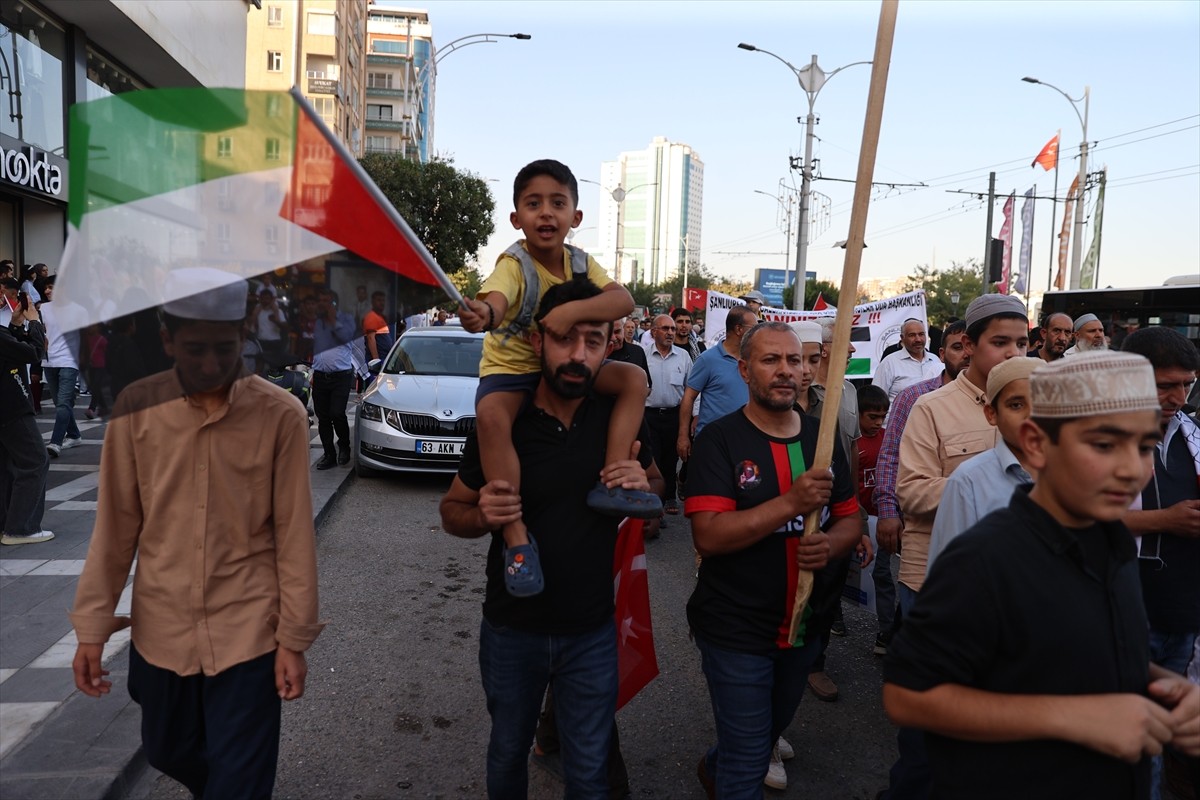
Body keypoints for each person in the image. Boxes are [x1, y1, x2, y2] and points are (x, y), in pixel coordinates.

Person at [883, 350, 1200, 800]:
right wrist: (1073, 718)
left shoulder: (1111, 542)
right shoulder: (985, 558)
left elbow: (1082, 650)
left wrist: (1161, 685)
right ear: (1035, 443)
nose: (1133, 469)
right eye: (1104, 445)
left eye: (1145, 446)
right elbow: (908, 696)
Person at [69, 269, 323, 799]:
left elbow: (295, 536)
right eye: (195, 350)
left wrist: (293, 640)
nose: (212, 365)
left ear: (244, 334)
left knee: (241, 782)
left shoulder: (281, 415)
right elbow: (115, 529)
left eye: (225, 350)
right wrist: (93, 624)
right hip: (161, 631)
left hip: (248, 631)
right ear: (167, 340)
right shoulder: (136, 411)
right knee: (167, 751)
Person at [440, 278, 661, 799]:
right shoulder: (505, 421)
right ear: (538, 342)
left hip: (591, 632)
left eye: (593, 341)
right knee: (507, 755)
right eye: (566, 339)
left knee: (588, 772)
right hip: (512, 630)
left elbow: (654, 490)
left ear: (611, 346)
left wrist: (637, 479)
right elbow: (453, 511)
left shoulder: (616, 416)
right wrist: (485, 517)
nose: (578, 355)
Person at [457, 158, 658, 599]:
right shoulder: (514, 263)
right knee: (490, 415)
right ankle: (516, 539)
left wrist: (571, 312)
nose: (546, 213)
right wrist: (485, 314)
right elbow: (494, 298)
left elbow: (622, 300)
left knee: (630, 379)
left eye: (557, 203)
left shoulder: (583, 264)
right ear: (516, 218)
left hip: (564, 369)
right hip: (512, 372)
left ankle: (613, 477)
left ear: (575, 217)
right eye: (533, 203)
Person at [685, 321, 862, 798]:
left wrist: (831, 543)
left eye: (796, 361)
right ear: (744, 370)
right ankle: (731, 772)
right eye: (771, 360)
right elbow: (710, 535)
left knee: (762, 733)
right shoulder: (718, 441)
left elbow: (849, 518)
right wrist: (790, 504)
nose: (788, 371)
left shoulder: (819, 440)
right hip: (735, 626)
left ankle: (716, 765)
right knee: (748, 764)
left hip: (803, 624)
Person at [880, 295, 1028, 800]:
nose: (1013, 353)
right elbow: (912, 492)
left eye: (1022, 342)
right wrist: (992, 484)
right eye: (1001, 342)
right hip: (935, 585)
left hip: (1016, 592)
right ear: (967, 346)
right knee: (927, 740)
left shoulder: (1047, 409)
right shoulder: (931, 407)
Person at [1121, 327, 1200, 799]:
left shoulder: (1192, 434)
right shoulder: (1097, 437)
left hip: (1184, 610)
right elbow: (1077, 521)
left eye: (1187, 384)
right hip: (1128, 606)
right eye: (1166, 384)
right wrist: (1163, 520)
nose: (1179, 396)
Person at [872, 318, 970, 653]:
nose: (966, 355)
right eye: (958, 347)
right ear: (943, 354)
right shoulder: (915, 397)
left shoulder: (998, 402)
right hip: (920, 531)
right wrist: (887, 511)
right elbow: (889, 458)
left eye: (971, 346)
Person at [792, 317, 863, 704]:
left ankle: (813, 663)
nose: (803, 370)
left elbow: (847, 453)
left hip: (834, 516)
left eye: (810, 359)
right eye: (796, 360)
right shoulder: (773, 401)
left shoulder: (845, 394)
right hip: (786, 522)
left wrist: (857, 520)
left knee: (827, 596)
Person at [926, 356, 1041, 572]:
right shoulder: (968, 482)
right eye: (1016, 405)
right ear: (992, 414)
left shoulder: (1076, 475)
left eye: (1042, 402)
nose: (1031, 415)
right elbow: (950, 577)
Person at [1, 293, 52, 546]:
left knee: (6, 465)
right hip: (11, 407)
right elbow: (32, 353)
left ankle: (8, 524)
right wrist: (34, 323)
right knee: (35, 461)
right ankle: (21, 528)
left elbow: (11, 346)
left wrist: (16, 325)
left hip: (5, 408)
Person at [677, 305, 757, 464]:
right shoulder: (708, 359)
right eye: (753, 328)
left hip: (746, 441)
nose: (756, 333)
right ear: (739, 329)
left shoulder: (753, 359)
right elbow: (689, 397)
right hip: (712, 443)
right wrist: (683, 436)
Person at [643, 313, 692, 517]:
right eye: (666, 328)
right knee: (653, 458)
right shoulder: (643, 355)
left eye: (672, 329)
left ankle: (669, 496)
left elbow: (692, 390)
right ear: (654, 332)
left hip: (674, 415)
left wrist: (693, 417)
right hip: (649, 415)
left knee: (672, 458)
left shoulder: (683, 356)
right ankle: (655, 502)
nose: (671, 333)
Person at [856, 384, 892, 655]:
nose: (878, 423)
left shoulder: (888, 439)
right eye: (872, 417)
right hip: (852, 520)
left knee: (881, 574)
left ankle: (887, 632)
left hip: (880, 520)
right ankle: (834, 618)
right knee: (840, 573)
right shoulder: (850, 442)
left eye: (882, 417)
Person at [311, 288, 358, 470]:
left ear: (334, 304)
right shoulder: (316, 322)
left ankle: (344, 446)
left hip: (341, 376)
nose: (322, 304)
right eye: (320, 301)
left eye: (326, 301)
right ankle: (328, 454)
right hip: (321, 376)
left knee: (337, 413)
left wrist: (332, 319)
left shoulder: (346, 320)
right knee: (322, 417)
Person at [40, 278, 86, 457]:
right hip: (49, 361)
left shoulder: (79, 310)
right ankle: (74, 435)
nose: (47, 291)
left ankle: (55, 442)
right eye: (46, 288)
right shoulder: (43, 309)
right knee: (61, 403)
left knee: (63, 403)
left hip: (69, 361)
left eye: (51, 287)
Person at [872, 318, 943, 403]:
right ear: (902, 338)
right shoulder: (889, 363)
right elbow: (876, 399)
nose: (918, 339)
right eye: (912, 335)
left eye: (921, 334)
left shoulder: (935, 360)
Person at [362, 290, 393, 362]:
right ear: (372, 302)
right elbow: (370, 338)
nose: (381, 303)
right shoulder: (371, 317)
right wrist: (376, 360)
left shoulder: (380, 317)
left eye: (383, 300)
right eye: (378, 300)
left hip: (384, 358)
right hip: (378, 360)